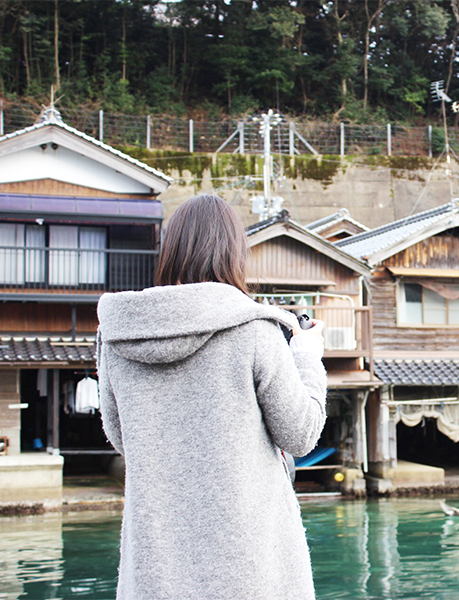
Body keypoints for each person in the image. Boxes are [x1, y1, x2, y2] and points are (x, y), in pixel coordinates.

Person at [96, 194, 327, 600]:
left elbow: (120, 437)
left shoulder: (117, 336)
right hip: (249, 572)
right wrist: (306, 358)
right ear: (234, 253)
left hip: (155, 573)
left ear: (169, 252)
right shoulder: (255, 329)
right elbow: (301, 434)